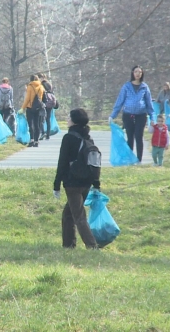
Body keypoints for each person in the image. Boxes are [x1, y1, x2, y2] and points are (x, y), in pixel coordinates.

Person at [53, 108, 99, 249]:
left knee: (79, 216)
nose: (67, 119)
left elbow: (62, 162)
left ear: (73, 121)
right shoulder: (88, 138)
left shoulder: (69, 138)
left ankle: (92, 246)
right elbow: (94, 163)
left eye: (69, 117)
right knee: (68, 214)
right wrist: (96, 183)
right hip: (86, 182)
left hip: (72, 183)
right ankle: (68, 245)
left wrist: (56, 185)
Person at [109, 65, 155, 162]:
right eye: (136, 72)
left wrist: (152, 118)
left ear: (142, 74)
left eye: (140, 72)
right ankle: (130, 159)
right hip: (128, 115)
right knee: (130, 137)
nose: (138, 74)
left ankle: (139, 159)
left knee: (138, 136)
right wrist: (113, 115)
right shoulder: (126, 86)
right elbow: (119, 101)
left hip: (141, 115)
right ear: (132, 73)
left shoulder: (144, 87)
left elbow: (149, 104)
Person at [20, 75, 45, 147]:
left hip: (30, 107)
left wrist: (23, 108)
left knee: (31, 124)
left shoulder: (30, 87)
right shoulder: (41, 86)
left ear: (30, 80)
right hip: (38, 107)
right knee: (37, 124)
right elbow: (42, 98)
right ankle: (37, 141)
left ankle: (32, 140)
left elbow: (27, 99)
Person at [38, 72, 55, 140]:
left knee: (41, 119)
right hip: (50, 103)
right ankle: (48, 134)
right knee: (48, 119)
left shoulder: (41, 85)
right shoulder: (49, 84)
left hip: (43, 102)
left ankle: (42, 132)